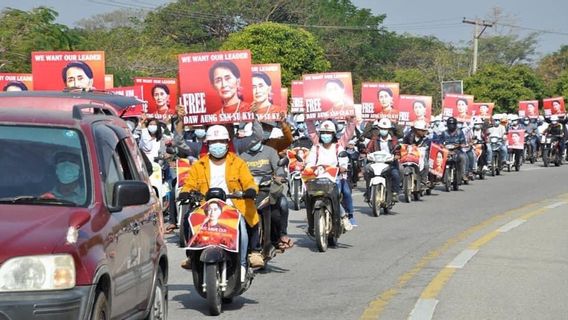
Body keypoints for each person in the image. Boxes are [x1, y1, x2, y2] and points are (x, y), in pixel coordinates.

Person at [181, 125, 259, 273]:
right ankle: (192, 255)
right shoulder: (200, 165)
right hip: (207, 207)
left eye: (221, 141)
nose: (217, 145)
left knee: (242, 225)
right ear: (207, 144)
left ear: (227, 143)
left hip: (233, 206)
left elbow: (249, 182)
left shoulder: (238, 163)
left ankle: (246, 259)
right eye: (213, 141)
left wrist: (250, 190)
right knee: (188, 219)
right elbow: (190, 184)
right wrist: (186, 192)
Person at [240, 138, 293, 252]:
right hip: (248, 191)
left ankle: (281, 236)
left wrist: (280, 176)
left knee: (283, 204)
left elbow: (278, 168)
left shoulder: (270, 152)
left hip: (268, 189)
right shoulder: (241, 155)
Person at [306, 119, 357, 231]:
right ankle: (310, 224)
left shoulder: (338, 147)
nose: (325, 135)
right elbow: (310, 162)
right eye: (323, 132)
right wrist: (308, 168)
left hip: (335, 179)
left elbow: (343, 160)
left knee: (335, 195)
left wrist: (342, 168)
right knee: (307, 196)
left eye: (328, 133)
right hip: (318, 179)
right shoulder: (316, 147)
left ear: (333, 134)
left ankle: (344, 216)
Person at [363, 118, 401, 202]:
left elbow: (398, 150)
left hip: (390, 163)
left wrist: (396, 156)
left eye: (385, 129)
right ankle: (368, 193)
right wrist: (365, 152)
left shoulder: (394, 139)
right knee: (367, 171)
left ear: (388, 129)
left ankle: (395, 193)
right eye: (382, 128)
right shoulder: (374, 139)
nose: (383, 130)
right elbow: (368, 148)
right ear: (379, 129)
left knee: (395, 174)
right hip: (376, 163)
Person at [402, 120, 431, 189]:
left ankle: (424, 181)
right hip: (410, 155)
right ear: (416, 130)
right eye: (422, 130)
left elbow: (430, 146)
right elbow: (403, 144)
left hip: (421, 155)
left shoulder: (426, 138)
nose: (424, 132)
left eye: (424, 131)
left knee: (426, 165)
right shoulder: (408, 136)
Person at [438, 117, 468, 182]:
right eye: (449, 124)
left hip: (457, 150)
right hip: (446, 150)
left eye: (453, 124)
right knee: (438, 157)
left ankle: (463, 174)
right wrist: (441, 145)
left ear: (455, 124)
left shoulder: (460, 132)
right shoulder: (444, 133)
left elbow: (463, 142)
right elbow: (440, 141)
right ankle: (438, 174)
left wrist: (461, 144)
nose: (451, 126)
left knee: (463, 157)